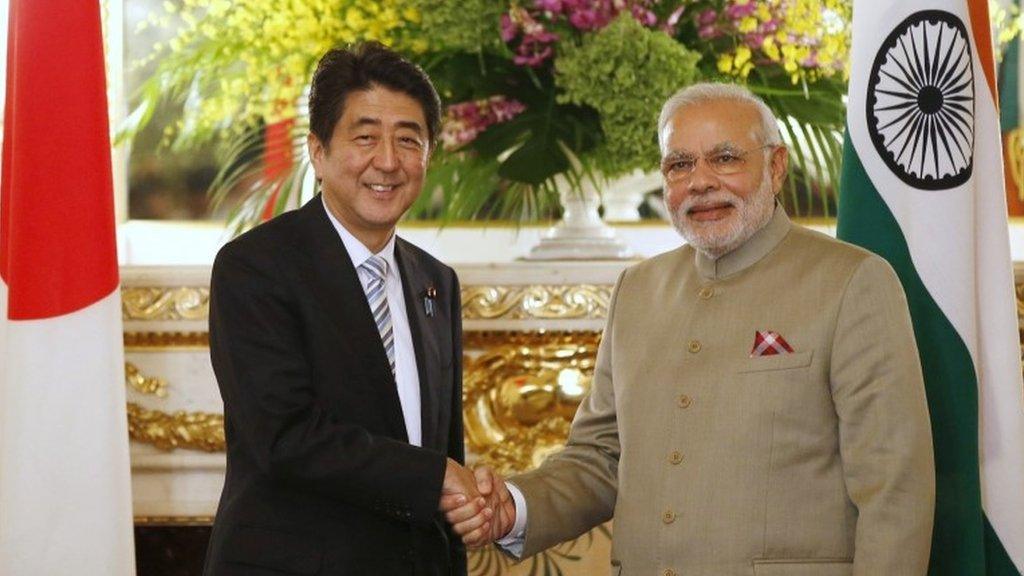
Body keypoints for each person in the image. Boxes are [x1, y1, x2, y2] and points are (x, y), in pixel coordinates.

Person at [446, 82, 936, 575]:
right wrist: (516, 506)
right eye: (680, 165)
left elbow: (894, 488)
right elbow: (600, 458)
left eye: (725, 158)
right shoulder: (638, 289)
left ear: (777, 166)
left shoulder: (850, 280)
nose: (700, 182)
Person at [203, 43, 492, 576]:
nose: (387, 161)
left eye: (409, 140)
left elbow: (441, 445)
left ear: (429, 155)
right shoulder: (256, 267)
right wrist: (434, 478)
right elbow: (283, 436)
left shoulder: (436, 282)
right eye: (365, 137)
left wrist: (456, 504)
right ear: (318, 151)